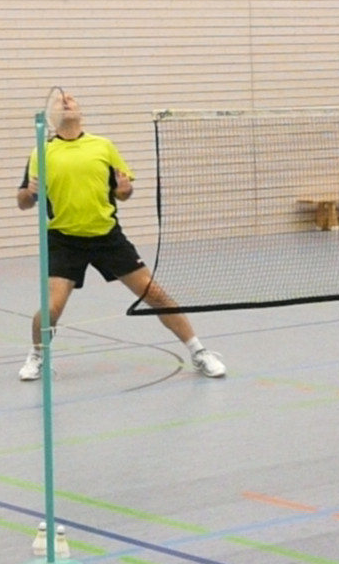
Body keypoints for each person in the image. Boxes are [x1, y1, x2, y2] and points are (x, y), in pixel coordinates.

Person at [16, 91, 226, 381]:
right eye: (60, 101)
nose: (66, 101)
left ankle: (199, 351)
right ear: (51, 117)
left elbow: (124, 192)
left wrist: (124, 190)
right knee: (51, 307)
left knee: (155, 294)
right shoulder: (41, 152)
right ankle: (37, 356)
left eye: (71, 100)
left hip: (107, 236)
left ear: (80, 112)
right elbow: (23, 201)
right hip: (64, 240)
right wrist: (29, 193)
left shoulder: (103, 146)